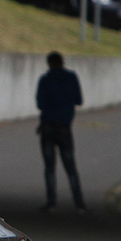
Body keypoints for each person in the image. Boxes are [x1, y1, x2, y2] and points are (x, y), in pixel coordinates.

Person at [35, 51, 86, 212]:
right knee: (70, 167)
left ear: (49, 63)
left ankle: (51, 203)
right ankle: (79, 204)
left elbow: (40, 104)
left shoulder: (45, 80)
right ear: (63, 62)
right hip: (64, 127)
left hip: (48, 127)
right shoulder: (71, 78)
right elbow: (79, 100)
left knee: (50, 168)